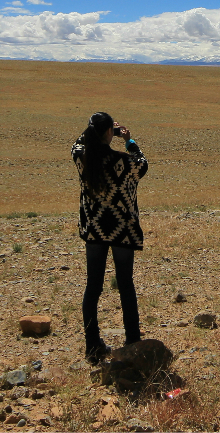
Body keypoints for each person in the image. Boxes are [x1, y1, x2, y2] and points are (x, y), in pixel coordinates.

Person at [72, 112, 149, 364]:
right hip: (121, 230)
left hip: (95, 230)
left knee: (93, 286)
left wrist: (99, 133)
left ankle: (92, 345)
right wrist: (128, 140)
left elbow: (77, 144)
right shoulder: (124, 162)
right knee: (125, 284)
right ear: (108, 132)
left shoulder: (83, 158)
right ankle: (132, 340)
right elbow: (142, 163)